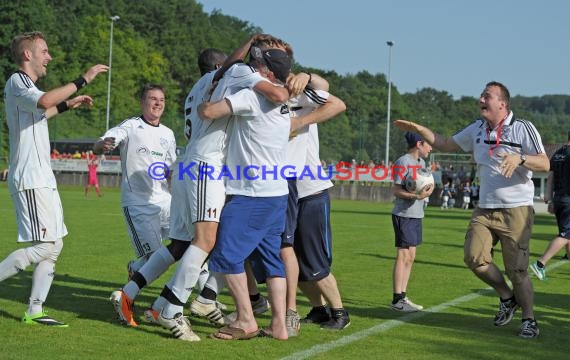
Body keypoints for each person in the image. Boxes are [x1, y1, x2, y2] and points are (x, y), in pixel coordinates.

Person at [394, 81, 549, 338]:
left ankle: (529, 320)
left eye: (486, 96)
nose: (480, 99)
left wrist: (519, 158)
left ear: (502, 103)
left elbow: (544, 162)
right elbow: (445, 143)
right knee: (474, 258)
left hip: (516, 210)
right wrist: (420, 129)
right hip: (484, 209)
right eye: (481, 95)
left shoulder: (522, 128)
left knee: (517, 270)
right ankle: (507, 297)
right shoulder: (477, 128)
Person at [0, 31, 108, 327]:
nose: (48, 56)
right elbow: (46, 100)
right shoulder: (17, 80)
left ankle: (35, 310)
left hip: (42, 178)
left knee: (55, 245)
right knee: (46, 246)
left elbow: (41, 112)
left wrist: (66, 105)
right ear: (27, 55)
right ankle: (32, 307)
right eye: (44, 51)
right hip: (30, 178)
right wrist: (82, 79)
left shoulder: (27, 91)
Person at [199, 45, 293, 340]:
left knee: (226, 255)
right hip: (277, 194)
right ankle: (279, 325)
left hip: (250, 193)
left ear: (267, 72)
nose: (253, 67)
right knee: (272, 260)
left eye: (257, 64)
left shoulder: (251, 96)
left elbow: (209, 113)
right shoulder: (286, 103)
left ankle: (245, 320)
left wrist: (207, 94)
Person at [93, 84, 177, 326]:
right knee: (155, 260)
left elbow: (171, 170)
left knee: (185, 246)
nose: (158, 103)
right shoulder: (131, 126)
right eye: (153, 99)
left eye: (161, 99)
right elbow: (105, 141)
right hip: (138, 205)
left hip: (167, 202)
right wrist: (102, 145)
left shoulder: (169, 134)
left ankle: (136, 272)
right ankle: (125, 296)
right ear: (143, 103)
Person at [287, 78, 351, 331]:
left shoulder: (302, 99)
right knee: (292, 257)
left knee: (315, 260)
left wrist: (308, 78)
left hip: (311, 191)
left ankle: (340, 312)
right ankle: (319, 309)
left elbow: (335, 101)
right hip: (287, 193)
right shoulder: (266, 100)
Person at [389, 132, 434, 312]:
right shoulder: (403, 162)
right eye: (428, 144)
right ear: (418, 144)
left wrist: (428, 190)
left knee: (411, 257)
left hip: (417, 214)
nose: (431, 148)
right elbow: (396, 190)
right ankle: (397, 299)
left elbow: (424, 185)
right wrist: (416, 195)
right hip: (404, 214)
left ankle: (403, 297)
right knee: (403, 255)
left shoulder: (422, 164)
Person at [529, 131, 570, 280]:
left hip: (559, 199)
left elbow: (551, 175)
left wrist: (549, 197)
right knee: (566, 234)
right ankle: (540, 263)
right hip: (568, 200)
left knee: (567, 235)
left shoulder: (558, 153)